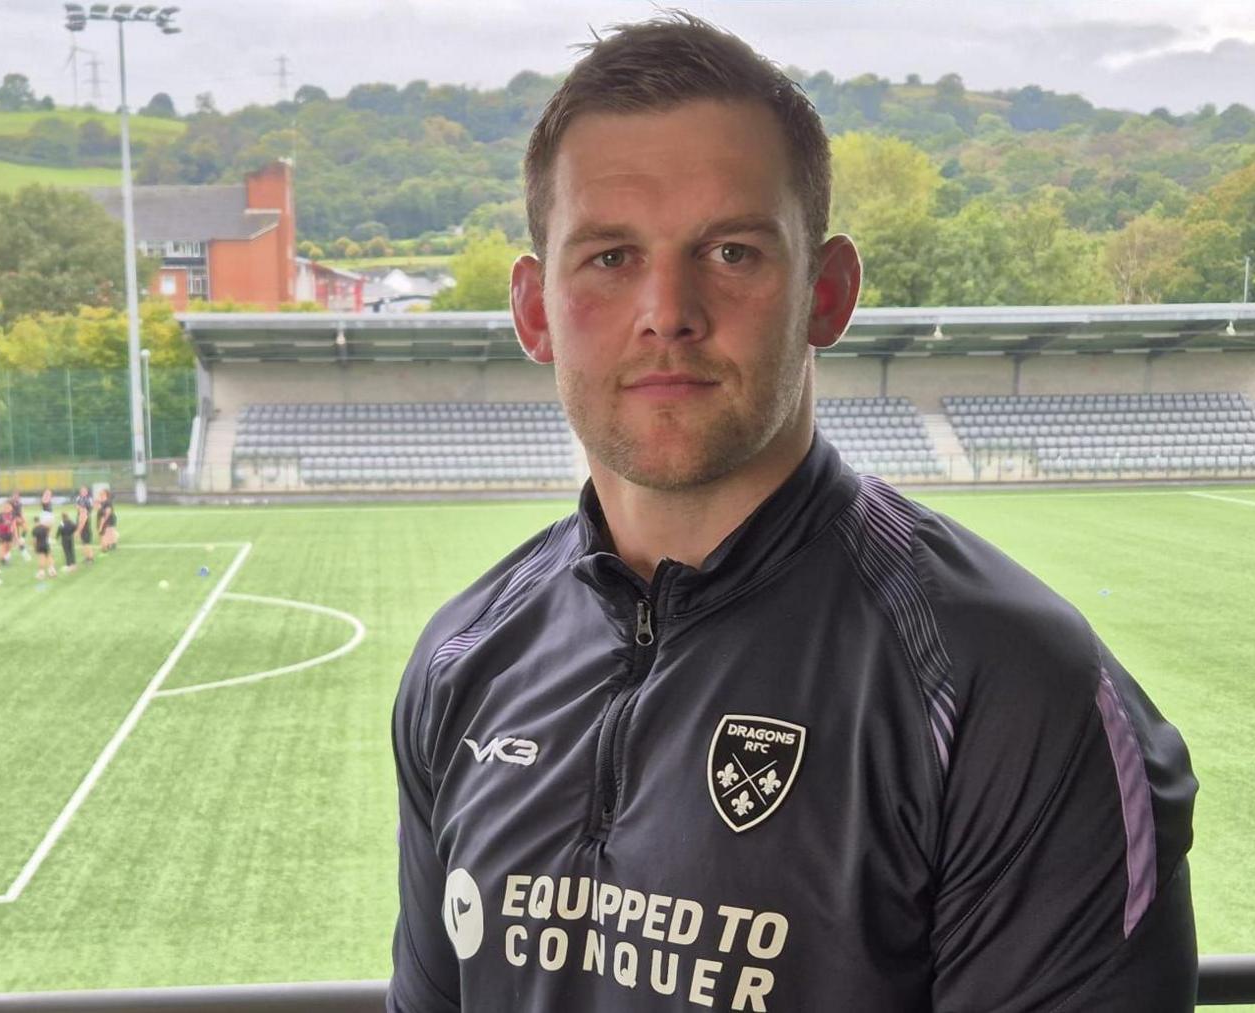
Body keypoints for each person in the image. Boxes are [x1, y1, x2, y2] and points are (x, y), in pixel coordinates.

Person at [387, 15, 1198, 1013]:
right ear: (533, 309)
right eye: (608, 256)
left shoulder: (1010, 685)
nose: (667, 309)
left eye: (731, 251)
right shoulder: (462, 660)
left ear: (828, 291)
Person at [75, 486, 96, 565]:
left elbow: (83, 520)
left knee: (87, 543)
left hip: (85, 524)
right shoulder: (78, 499)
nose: (83, 492)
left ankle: (90, 558)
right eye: (82, 491)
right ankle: (87, 557)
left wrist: (78, 531)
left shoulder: (88, 501)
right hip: (82, 521)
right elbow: (77, 506)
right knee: (84, 542)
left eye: (84, 491)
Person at [32, 512, 56, 580]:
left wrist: (34, 548)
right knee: (49, 557)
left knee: (41, 558)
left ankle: (41, 573)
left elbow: (34, 540)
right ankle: (52, 571)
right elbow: (49, 534)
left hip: (40, 545)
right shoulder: (46, 528)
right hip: (46, 544)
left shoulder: (35, 529)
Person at [96, 488, 118, 553]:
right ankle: (109, 544)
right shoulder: (102, 501)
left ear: (105, 494)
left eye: (101, 493)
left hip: (109, 519)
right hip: (103, 519)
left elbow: (108, 512)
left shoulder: (108, 502)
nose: (100, 494)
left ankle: (112, 545)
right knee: (107, 533)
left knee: (109, 532)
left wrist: (104, 521)